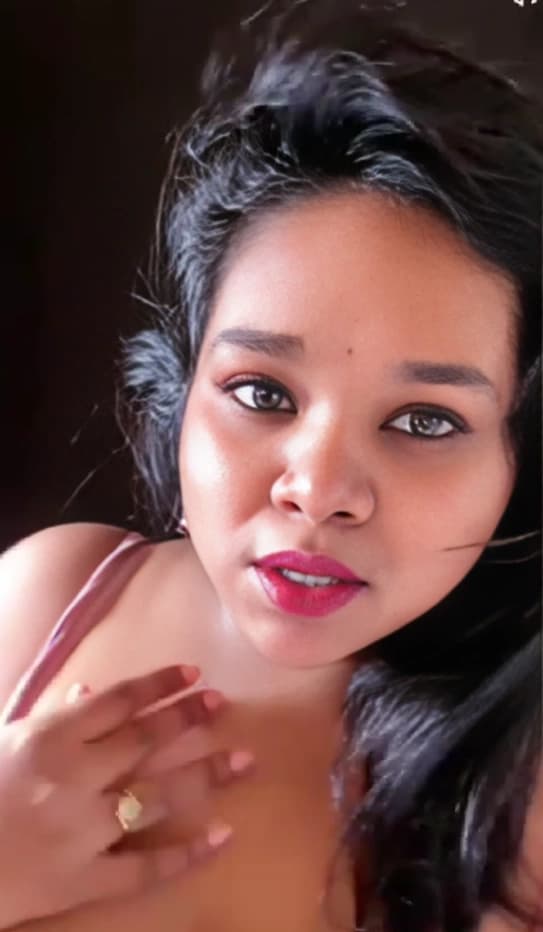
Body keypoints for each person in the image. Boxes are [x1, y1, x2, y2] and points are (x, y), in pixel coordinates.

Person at [0, 2, 541, 930]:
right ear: (181, 389)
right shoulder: (48, 596)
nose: (317, 492)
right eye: (260, 393)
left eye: (423, 420)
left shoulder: (515, 792)